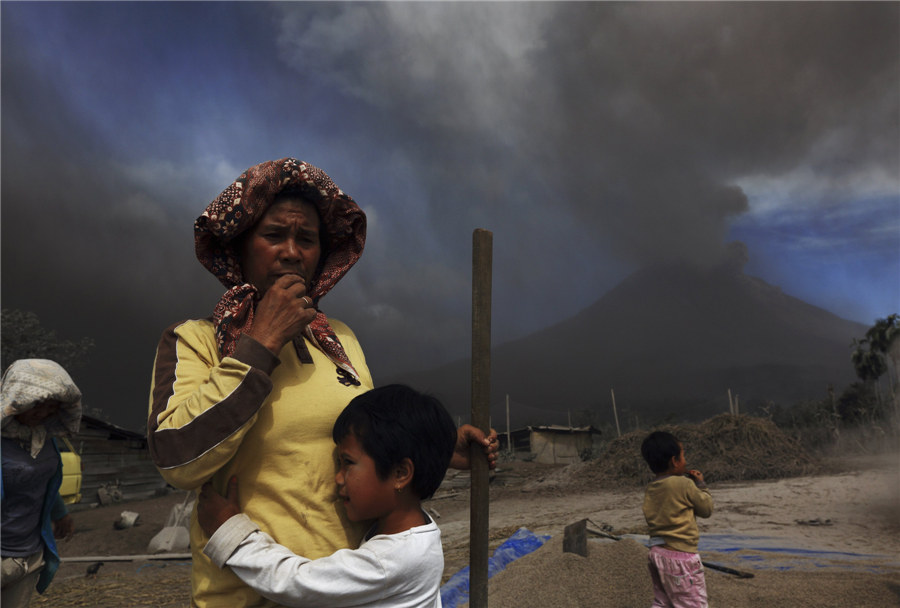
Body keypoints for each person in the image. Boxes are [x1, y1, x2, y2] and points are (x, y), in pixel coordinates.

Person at [147, 157, 498, 607]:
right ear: (240, 245)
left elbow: (369, 438)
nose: (292, 252)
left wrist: (438, 448)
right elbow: (177, 460)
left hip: (343, 593)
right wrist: (262, 343)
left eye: (306, 239)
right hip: (250, 595)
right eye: (274, 235)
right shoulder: (195, 341)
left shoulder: (341, 341)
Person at [197, 384, 457, 608]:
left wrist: (231, 534)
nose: (338, 477)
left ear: (401, 473)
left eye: (347, 463)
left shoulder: (391, 561)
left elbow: (296, 583)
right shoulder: (419, 533)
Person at [1, 359, 82, 608]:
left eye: (52, 406)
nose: (43, 412)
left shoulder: (44, 439)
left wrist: (60, 513)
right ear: (18, 397)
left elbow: (44, 480)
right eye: (37, 403)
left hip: (30, 553)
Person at [640, 431, 714, 608]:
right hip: (681, 558)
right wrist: (701, 485)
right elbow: (706, 509)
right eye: (683, 455)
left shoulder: (652, 488)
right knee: (693, 603)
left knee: (662, 601)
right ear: (675, 461)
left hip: (656, 554)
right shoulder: (684, 484)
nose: (685, 459)